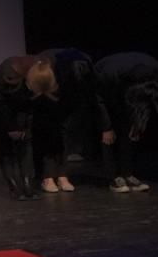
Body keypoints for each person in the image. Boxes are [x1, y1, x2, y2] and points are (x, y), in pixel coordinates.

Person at [95, 52, 158, 191]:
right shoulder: (109, 74)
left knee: (129, 133)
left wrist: (138, 125)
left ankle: (127, 173)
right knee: (109, 136)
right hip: (108, 91)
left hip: (130, 87)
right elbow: (99, 100)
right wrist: (106, 128)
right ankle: (114, 177)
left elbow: (148, 104)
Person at [35, 48, 107, 193]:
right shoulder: (48, 65)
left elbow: (91, 94)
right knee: (48, 135)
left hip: (68, 97)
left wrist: (105, 126)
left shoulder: (86, 67)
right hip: (46, 95)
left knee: (63, 136)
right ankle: (48, 177)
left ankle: (62, 176)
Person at [0, 55, 58, 200]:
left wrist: (25, 127)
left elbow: (31, 104)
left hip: (22, 109)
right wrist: (10, 127)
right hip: (0, 110)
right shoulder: (2, 76)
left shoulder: (40, 68)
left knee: (26, 144)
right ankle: (14, 187)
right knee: (6, 148)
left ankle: (28, 184)